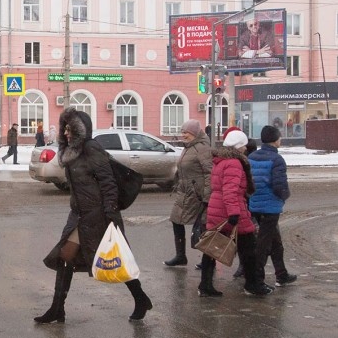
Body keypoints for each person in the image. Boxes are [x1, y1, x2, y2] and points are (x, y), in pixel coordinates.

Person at [35, 108, 152, 323]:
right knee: (65, 258)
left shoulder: (91, 149)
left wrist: (110, 213)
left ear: (81, 131)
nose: (67, 134)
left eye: (71, 130)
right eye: (65, 130)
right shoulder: (71, 153)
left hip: (97, 215)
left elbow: (108, 183)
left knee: (116, 258)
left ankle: (140, 297)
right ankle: (57, 309)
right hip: (78, 214)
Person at [204, 128, 266, 297]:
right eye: (244, 146)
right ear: (238, 146)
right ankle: (252, 285)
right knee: (248, 248)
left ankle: (205, 285)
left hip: (217, 208)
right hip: (230, 209)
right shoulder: (234, 163)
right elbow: (230, 191)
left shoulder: (220, 160)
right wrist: (234, 214)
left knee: (212, 247)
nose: (246, 149)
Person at [247, 125, 297, 287]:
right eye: (279, 137)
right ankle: (256, 279)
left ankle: (281, 273)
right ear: (276, 140)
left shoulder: (252, 157)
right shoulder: (277, 160)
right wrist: (284, 196)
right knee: (264, 243)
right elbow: (279, 186)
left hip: (255, 205)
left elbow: (248, 182)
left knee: (275, 242)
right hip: (270, 207)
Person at [164, 119, 212, 267]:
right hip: (184, 192)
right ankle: (180, 256)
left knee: (203, 227)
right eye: (182, 132)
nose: (183, 135)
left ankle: (208, 260)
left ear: (195, 133)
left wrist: (207, 196)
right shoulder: (189, 147)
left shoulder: (202, 148)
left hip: (197, 195)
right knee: (176, 220)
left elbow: (209, 173)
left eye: (186, 132)